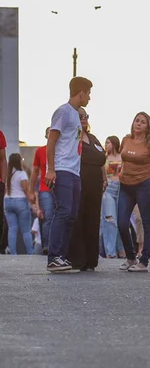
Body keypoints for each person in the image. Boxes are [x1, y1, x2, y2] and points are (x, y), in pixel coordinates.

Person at [45, 76, 92, 272]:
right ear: (80, 93)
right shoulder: (63, 111)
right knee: (63, 211)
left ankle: (62, 257)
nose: (89, 97)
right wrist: (51, 169)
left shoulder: (76, 115)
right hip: (62, 169)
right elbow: (51, 141)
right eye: (88, 93)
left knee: (72, 215)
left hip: (74, 171)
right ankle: (53, 257)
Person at [116, 112, 150, 273]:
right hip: (125, 185)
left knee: (146, 223)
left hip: (144, 186)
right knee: (122, 223)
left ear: (147, 127)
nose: (138, 124)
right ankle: (131, 257)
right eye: (136, 120)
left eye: (142, 122)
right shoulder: (126, 140)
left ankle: (143, 261)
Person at [67, 108, 106, 271]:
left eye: (86, 116)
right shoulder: (71, 137)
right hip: (78, 180)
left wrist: (104, 178)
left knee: (93, 219)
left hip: (96, 183)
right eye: (80, 116)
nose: (83, 118)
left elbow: (102, 159)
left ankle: (91, 259)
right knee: (78, 217)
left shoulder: (92, 138)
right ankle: (77, 259)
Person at [29, 129, 53, 255]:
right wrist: (31, 191)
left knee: (60, 217)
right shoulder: (40, 151)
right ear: (46, 135)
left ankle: (57, 245)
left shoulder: (61, 150)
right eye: (50, 133)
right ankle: (47, 246)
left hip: (60, 188)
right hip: (45, 188)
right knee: (47, 215)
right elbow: (34, 172)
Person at [5, 153, 33, 254]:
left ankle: (13, 253)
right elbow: (25, 189)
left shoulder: (7, 174)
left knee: (12, 228)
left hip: (8, 201)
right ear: (19, 161)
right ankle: (30, 252)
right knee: (25, 230)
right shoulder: (22, 174)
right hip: (20, 201)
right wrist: (31, 202)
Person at [101, 136, 123, 259]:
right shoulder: (104, 158)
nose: (106, 144)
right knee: (110, 219)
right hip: (108, 189)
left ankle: (121, 249)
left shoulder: (123, 157)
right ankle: (110, 252)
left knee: (121, 220)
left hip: (121, 188)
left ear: (114, 144)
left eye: (108, 142)